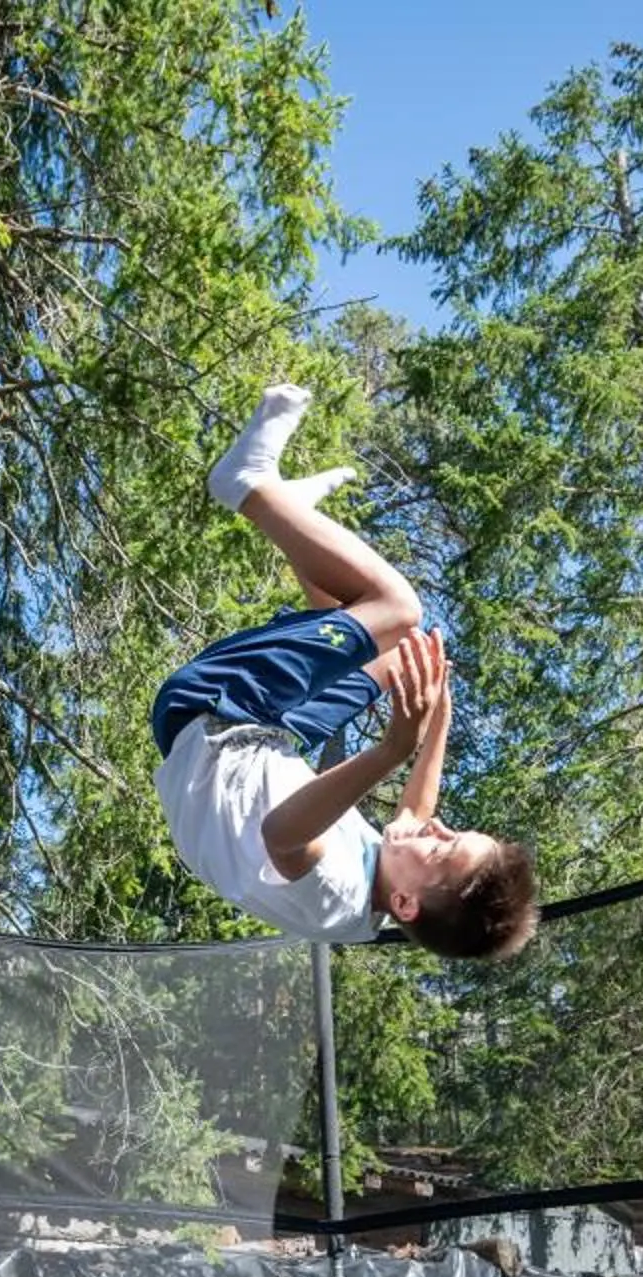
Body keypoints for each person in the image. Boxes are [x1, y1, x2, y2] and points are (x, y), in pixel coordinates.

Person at [152, 385, 538, 959]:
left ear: (406, 904)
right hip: (266, 736)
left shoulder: (336, 893)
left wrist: (391, 750)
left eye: (440, 850)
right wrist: (437, 718)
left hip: (217, 715)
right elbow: (414, 813)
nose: (435, 831)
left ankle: (249, 487)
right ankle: (289, 510)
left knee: (395, 606)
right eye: (453, 833)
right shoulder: (389, 882)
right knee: (393, 645)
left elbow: (281, 836)